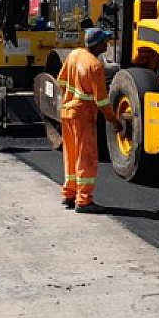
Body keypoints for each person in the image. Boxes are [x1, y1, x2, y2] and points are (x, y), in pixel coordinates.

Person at [57, 28, 122, 214]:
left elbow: (61, 81)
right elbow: (102, 100)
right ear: (98, 44)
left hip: (67, 112)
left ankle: (69, 193)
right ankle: (84, 200)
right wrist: (113, 120)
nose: (107, 44)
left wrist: (70, 97)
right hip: (83, 116)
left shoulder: (74, 55)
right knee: (86, 158)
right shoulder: (95, 66)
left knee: (70, 154)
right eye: (105, 41)